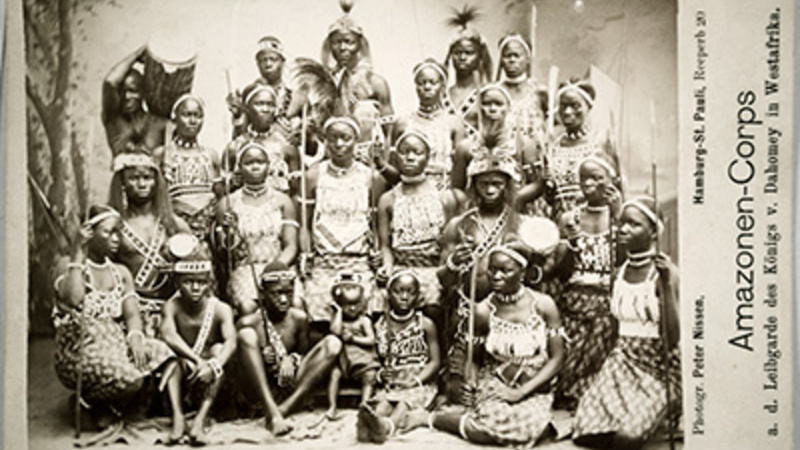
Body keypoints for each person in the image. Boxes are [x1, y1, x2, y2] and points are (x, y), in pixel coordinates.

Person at [405, 241, 566, 447]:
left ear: (522, 272)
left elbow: (557, 358)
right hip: (496, 380)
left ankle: (446, 420)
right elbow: (476, 359)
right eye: (492, 269)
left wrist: (521, 392)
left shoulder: (544, 305)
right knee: (494, 426)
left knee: (528, 425)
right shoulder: (482, 311)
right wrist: (470, 381)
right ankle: (432, 419)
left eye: (505, 270)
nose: (496, 276)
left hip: (534, 384)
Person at [572, 197, 680, 449]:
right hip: (621, 363)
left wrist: (664, 286)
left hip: (658, 368)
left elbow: (673, 338)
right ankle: (650, 421)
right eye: (622, 223)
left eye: (634, 224)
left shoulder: (665, 273)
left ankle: (664, 414)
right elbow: (613, 329)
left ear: (653, 231)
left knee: (627, 438)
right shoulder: (617, 273)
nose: (623, 229)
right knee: (586, 434)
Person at [52, 205, 173, 421]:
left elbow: (132, 315)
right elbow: (74, 299)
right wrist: (77, 252)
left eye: (119, 231)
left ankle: (119, 406)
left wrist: (136, 337)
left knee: (165, 355)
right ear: (89, 234)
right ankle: (88, 400)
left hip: (116, 343)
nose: (117, 238)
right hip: (81, 348)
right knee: (131, 378)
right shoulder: (68, 265)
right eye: (109, 232)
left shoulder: (121, 272)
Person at [437, 150, 522, 403]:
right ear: (474, 185)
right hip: (467, 314)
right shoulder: (459, 225)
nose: (491, 190)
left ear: (507, 185)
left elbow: (536, 274)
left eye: (497, 183)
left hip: (507, 316)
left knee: (501, 384)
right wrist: (454, 262)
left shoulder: (520, 223)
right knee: (458, 391)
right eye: (484, 183)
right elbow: (443, 278)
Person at [236, 263, 342, 435]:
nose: (284, 299)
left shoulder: (298, 318)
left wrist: (291, 359)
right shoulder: (249, 322)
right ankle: (272, 411)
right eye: (277, 293)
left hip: (289, 383)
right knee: (246, 335)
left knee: (333, 343)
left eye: (288, 293)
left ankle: (285, 408)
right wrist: (261, 356)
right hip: (262, 390)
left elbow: (303, 353)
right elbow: (238, 368)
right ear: (262, 294)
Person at [551, 153, 622, 409]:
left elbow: (622, 262)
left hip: (606, 299)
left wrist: (618, 216)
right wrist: (570, 243)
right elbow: (562, 273)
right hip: (575, 298)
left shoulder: (620, 216)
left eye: (597, 178)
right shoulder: (570, 218)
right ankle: (572, 392)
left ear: (611, 180)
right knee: (570, 350)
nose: (589, 184)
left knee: (602, 334)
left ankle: (586, 394)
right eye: (584, 179)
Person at [301, 116, 386, 323]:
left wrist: (379, 254)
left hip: (359, 263)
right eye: (333, 138)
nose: (339, 144)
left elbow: (376, 225)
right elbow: (305, 222)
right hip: (324, 263)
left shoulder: (371, 177)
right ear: (325, 141)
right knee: (316, 312)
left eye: (345, 138)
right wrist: (305, 253)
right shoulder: (313, 175)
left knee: (366, 312)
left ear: (356, 140)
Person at [377, 129, 465, 328]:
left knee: (433, 303)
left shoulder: (444, 197)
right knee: (387, 298)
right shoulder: (388, 199)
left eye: (417, 152)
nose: (410, 157)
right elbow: (385, 245)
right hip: (401, 267)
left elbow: (449, 244)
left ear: (428, 157)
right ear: (395, 156)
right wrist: (388, 268)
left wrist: (444, 273)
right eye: (404, 152)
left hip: (433, 269)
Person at [159, 242, 237, 445]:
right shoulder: (172, 306)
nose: (195, 288)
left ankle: (199, 420)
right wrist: (194, 359)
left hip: (210, 376)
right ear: (177, 283)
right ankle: (178, 417)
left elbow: (231, 342)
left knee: (218, 350)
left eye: (201, 282)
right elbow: (168, 335)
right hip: (185, 366)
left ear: (209, 284)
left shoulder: (221, 309)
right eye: (188, 282)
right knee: (171, 361)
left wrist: (214, 364)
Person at [108, 152, 190, 336]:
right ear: (122, 182)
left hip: (170, 311)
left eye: (147, 177)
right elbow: (103, 270)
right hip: (129, 310)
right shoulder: (115, 225)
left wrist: (177, 267)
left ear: (156, 181)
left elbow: (198, 266)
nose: (142, 184)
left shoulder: (173, 224)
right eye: (134, 178)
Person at [357, 269, 441, 444]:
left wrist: (416, 380)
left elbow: (435, 361)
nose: (404, 297)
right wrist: (381, 374)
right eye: (398, 291)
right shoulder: (380, 325)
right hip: (393, 383)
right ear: (388, 295)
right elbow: (374, 359)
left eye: (410, 292)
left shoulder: (425, 324)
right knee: (383, 403)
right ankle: (369, 423)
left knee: (404, 403)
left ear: (418, 297)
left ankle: (387, 427)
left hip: (419, 382)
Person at [214, 142, 298, 316]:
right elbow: (224, 253)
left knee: (295, 303)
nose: (255, 166)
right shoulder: (228, 203)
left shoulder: (283, 201)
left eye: (260, 162)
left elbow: (291, 246)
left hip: (279, 267)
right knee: (248, 306)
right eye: (249, 162)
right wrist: (229, 232)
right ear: (239, 167)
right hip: (246, 269)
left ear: (269, 166)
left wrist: (275, 269)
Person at [545, 79, 619, 221]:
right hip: (562, 225)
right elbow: (550, 197)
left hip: (594, 222)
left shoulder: (601, 142)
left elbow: (618, 186)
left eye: (575, 106)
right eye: (563, 106)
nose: (567, 112)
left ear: (588, 107)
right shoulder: (554, 147)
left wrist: (618, 215)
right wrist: (547, 184)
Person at [321, 0, 393, 141]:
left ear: (359, 45)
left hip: (368, 158)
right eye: (336, 42)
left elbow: (389, 133)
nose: (342, 48)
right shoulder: (326, 83)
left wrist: (383, 161)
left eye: (349, 42)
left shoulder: (375, 83)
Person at [451, 83, 541, 196]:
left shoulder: (524, 144)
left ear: (509, 107)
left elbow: (536, 184)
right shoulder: (466, 147)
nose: (492, 109)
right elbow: (457, 188)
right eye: (486, 104)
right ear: (479, 108)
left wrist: (516, 200)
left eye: (498, 104)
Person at [153, 94, 220, 243]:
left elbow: (219, 194)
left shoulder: (211, 155)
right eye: (186, 115)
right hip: (175, 227)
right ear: (175, 118)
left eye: (198, 116)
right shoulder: (163, 154)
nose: (193, 121)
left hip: (208, 231)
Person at [393, 59, 466, 191]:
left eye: (433, 83)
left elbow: (460, 165)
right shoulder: (403, 123)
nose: (427, 87)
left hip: (443, 190)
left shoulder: (453, 122)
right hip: (409, 189)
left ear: (442, 87)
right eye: (422, 83)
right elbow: (394, 166)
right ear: (416, 86)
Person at [222, 83, 300, 195]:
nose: (265, 109)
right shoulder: (234, 147)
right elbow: (223, 193)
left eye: (270, 104)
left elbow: (296, 193)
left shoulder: (286, 147)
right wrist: (232, 183)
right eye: (259, 104)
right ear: (247, 108)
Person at [326, 271, 380, 420]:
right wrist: (338, 312)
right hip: (344, 363)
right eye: (346, 305)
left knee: (370, 377)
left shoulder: (364, 321)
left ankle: (364, 405)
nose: (352, 309)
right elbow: (335, 332)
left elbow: (371, 340)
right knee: (334, 374)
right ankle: (332, 406)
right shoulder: (340, 320)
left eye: (356, 304)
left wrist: (353, 339)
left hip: (363, 361)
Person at [227, 36, 299, 140]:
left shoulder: (295, 95)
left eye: (273, 59)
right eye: (263, 60)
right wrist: (238, 115)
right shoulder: (250, 94)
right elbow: (239, 138)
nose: (268, 64)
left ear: (282, 62)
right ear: (257, 64)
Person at [101, 46, 168, 156]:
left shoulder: (158, 124)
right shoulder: (114, 120)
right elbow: (110, 82)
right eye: (121, 92)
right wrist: (137, 55)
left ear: (143, 93)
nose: (126, 96)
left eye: (132, 91)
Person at [443, 5, 493, 138]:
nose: (462, 58)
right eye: (457, 53)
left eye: (469, 53)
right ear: (450, 56)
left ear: (480, 57)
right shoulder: (442, 95)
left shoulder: (487, 94)